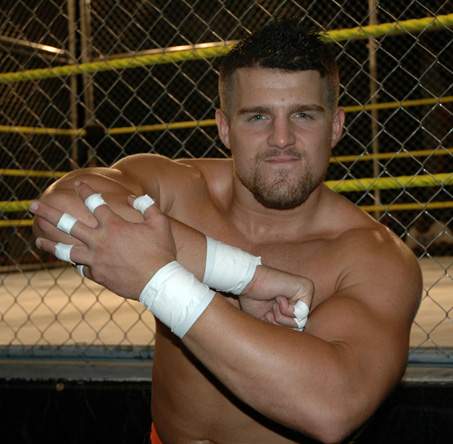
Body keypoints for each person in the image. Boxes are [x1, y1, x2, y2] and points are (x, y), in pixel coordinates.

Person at [30, 20, 422, 443]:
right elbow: (59, 210)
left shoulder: (373, 256)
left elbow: (332, 407)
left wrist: (160, 278)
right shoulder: (180, 191)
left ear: (336, 126)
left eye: (303, 115)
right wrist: (243, 276)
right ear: (224, 126)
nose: (282, 139)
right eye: (258, 117)